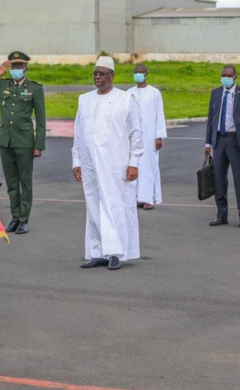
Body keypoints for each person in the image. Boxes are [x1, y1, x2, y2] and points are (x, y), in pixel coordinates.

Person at [71, 56, 144, 271]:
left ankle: (116, 253)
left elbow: (137, 134)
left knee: (114, 206)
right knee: (93, 205)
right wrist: (77, 161)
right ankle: (97, 252)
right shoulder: (85, 99)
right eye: (95, 73)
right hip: (90, 164)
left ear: (112, 76)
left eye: (102, 73)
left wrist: (134, 163)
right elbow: (78, 133)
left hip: (116, 164)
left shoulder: (126, 99)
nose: (98, 77)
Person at [0, 51, 46, 234]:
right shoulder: (2, 85)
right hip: (6, 140)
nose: (16, 70)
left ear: (26, 68)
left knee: (25, 182)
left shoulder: (35, 89)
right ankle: (14, 217)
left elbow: (41, 119)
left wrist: (38, 145)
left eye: (19, 67)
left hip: (24, 142)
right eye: (13, 67)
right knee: (12, 182)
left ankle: (23, 219)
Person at [204, 64, 240, 228]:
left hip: (236, 141)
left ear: (235, 77)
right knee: (219, 178)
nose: (225, 78)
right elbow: (211, 120)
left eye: (228, 75)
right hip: (219, 140)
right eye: (223, 75)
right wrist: (208, 143)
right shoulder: (216, 93)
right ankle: (221, 214)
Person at [127, 63, 167, 210]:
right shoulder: (128, 93)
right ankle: (138, 198)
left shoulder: (154, 93)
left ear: (146, 74)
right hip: (133, 137)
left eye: (141, 72)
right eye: (136, 72)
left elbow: (159, 115)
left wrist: (159, 136)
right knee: (135, 165)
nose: (138, 74)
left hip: (150, 137)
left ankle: (149, 198)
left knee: (150, 166)